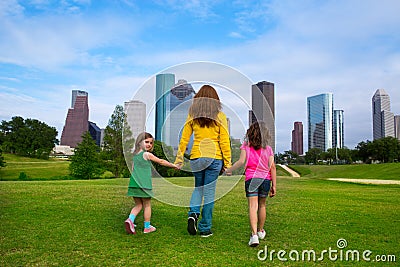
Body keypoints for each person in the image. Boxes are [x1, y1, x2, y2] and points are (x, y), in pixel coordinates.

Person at [175, 85, 231, 237]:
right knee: (209, 193)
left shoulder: (192, 114)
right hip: (214, 158)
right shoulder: (220, 116)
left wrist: (179, 158)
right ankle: (205, 228)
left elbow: (184, 138)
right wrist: (228, 163)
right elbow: (224, 141)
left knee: (198, 188)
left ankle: (193, 213)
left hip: (196, 157)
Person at [225, 122, 276, 247]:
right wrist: (274, 185)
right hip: (265, 180)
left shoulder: (246, 146)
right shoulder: (268, 149)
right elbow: (272, 167)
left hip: (251, 179)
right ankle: (260, 231)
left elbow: (241, 161)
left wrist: (228, 170)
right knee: (262, 205)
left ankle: (253, 236)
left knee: (253, 206)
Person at [125, 132, 178, 234]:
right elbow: (161, 161)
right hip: (144, 184)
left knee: (138, 205)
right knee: (147, 204)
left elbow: (132, 169)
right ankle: (147, 227)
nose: (149, 144)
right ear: (139, 142)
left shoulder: (135, 156)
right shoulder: (146, 154)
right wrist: (173, 165)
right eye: (146, 142)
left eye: (151, 143)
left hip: (134, 184)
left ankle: (130, 220)